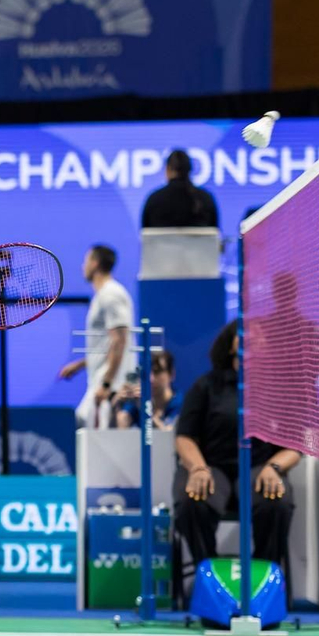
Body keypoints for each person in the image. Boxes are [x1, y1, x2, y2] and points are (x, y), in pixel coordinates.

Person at [173, 321, 301, 578]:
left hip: (259, 467)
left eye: (258, 336)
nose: (251, 339)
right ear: (231, 346)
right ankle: (208, 573)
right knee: (191, 502)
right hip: (213, 468)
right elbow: (185, 437)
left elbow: (294, 445)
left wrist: (274, 468)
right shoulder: (205, 386)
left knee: (275, 502)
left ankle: (265, 575)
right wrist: (197, 468)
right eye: (243, 335)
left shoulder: (278, 389)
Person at [57, 244, 135, 428]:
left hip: (112, 387)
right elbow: (107, 344)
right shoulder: (102, 296)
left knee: (86, 431)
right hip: (104, 382)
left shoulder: (111, 294)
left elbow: (120, 340)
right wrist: (81, 364)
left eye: (86, 260)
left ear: (95, 263)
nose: (83, 266)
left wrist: (107, 384)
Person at [141, 149, 219, 230]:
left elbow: (145, 236)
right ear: (189, 170)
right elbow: (214, 235)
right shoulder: (205, 199)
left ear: (168, 169)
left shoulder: (154, 200)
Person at [113, 348, 180, 431]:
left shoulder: (181, 405)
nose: (151, 379)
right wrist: (117, 406)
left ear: (171, 374)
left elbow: (166, 438)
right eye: (145, 373)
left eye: (157, 371)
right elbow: (122, 429)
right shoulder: (138, 400)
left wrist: (145, 410)